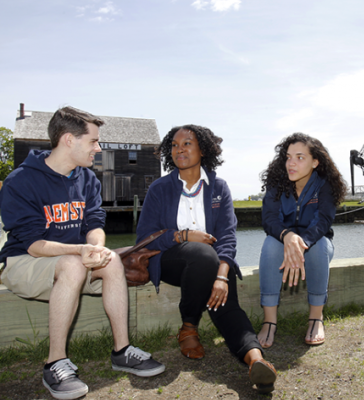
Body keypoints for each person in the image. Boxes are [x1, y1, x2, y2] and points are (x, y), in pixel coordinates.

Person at [0, 106, 165, 400]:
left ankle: (122, 350)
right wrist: (81, 250)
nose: (98, 149)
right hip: (24, 262)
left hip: (71, 261)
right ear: (68, 140)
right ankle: (55, 362)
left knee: (112, 259)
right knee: (74, 266)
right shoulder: (21, 181)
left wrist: (97, 248)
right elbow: (33, 244)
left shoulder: (87, 179)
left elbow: (94, 224)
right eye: (93, 141)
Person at [136, 124, 277, 393]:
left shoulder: (219, 187)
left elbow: (227, 236)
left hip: (212, 266)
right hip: (170, 261)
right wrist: (182, 236)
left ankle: (256, 361)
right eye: (175, 145)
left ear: (203, 149)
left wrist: (223, 276)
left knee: (227, 303)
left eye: (187, 143)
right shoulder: (159, 188)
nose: (179, 149)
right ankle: (189, 325)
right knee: (202, 253)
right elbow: (145, 237)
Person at [257, 133, 347, 348]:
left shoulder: (325, 185)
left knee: (320, 247)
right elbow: (269, 219)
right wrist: (287, 236)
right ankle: (269, 320)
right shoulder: (276, 183)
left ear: (315, 162)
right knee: (270, 244)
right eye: (288, 157)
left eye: (299, 157)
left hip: (316, 242)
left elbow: (322, 222)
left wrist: (301, 242)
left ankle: (316, 318)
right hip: (282, 241)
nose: (291, 163)